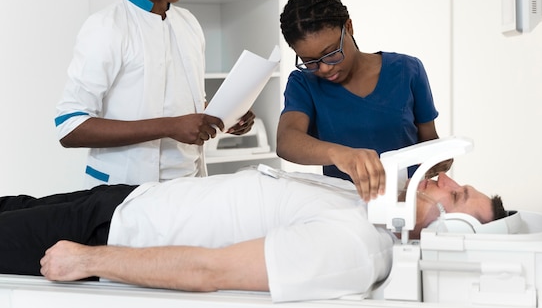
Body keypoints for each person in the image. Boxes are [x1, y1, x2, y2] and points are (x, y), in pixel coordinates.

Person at [0, 167, 505, 302]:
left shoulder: (353, 247)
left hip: (112, 234)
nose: (449, 180)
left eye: (457, 197)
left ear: (445, 236)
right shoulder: (369, 208)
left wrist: (91, 260)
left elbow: (208, 272)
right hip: (127, 201)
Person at [54, 0, 254, 186]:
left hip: (191, 187)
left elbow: (185, 101)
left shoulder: (189, 25)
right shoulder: (106, 27)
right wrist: (170, 127)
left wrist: (225, 117)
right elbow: (69, 126)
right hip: (123, 194)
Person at [277, 0, 448, 201]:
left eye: (330, 54)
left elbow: (429, 140)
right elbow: (287, 141)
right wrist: (340, 155)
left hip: (412, 205)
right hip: (346, 208)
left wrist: (439, 157)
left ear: (348, 27)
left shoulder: (407, 70)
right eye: (310, 62)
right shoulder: (304, 83)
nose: (324, 69)